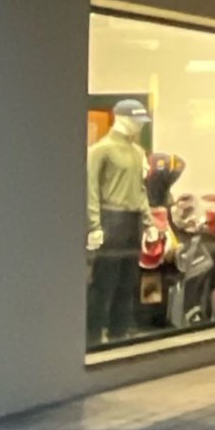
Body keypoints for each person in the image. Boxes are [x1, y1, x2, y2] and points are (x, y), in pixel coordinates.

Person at [86, 99, 151, 345]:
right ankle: (92, 336)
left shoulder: (137, 152)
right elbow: (91, 188)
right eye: (136, 120)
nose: (139, 126)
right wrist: (94, 225)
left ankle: (119, 333)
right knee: (104, 281)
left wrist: (149, 220)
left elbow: (140, 190)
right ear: (122, 118)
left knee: (128, 281)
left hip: (132, 219)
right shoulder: (101, 149)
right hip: (111, 217)